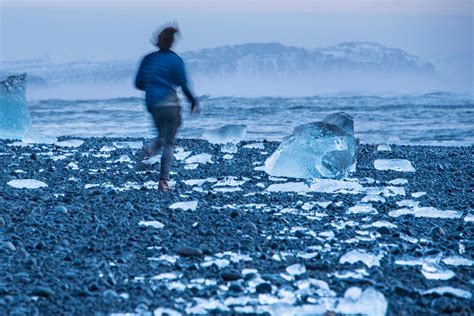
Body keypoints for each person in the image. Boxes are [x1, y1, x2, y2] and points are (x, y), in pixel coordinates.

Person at [135, 25, 198, 192]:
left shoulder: (147, 59)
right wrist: (193, 102)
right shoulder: (176, 60)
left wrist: (152, 86)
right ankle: (163, 181)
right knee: (169, 142)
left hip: (154, 105)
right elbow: (183, 84)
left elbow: (138, 83)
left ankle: (149, 153)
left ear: (157, 42)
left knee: (161, 135)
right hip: (171, 104)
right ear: (172, 43)